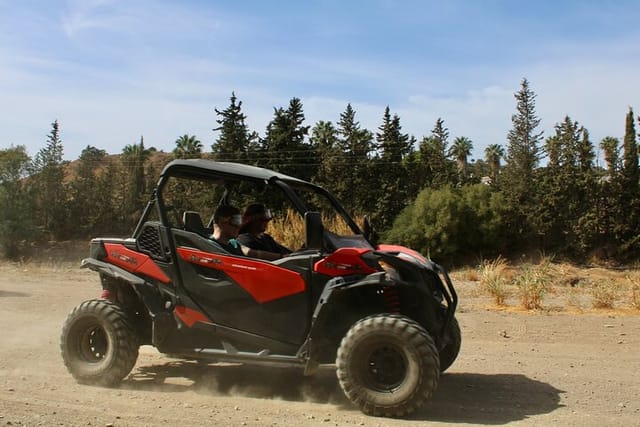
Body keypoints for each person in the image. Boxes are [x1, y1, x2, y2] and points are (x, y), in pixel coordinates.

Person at [210, 205, 282, 261]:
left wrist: (281, 257)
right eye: (236, 221)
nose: (239, 226)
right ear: (221, 222)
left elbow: (253, 253)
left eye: (240, 221)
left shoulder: (234, 243)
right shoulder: (208, 245)